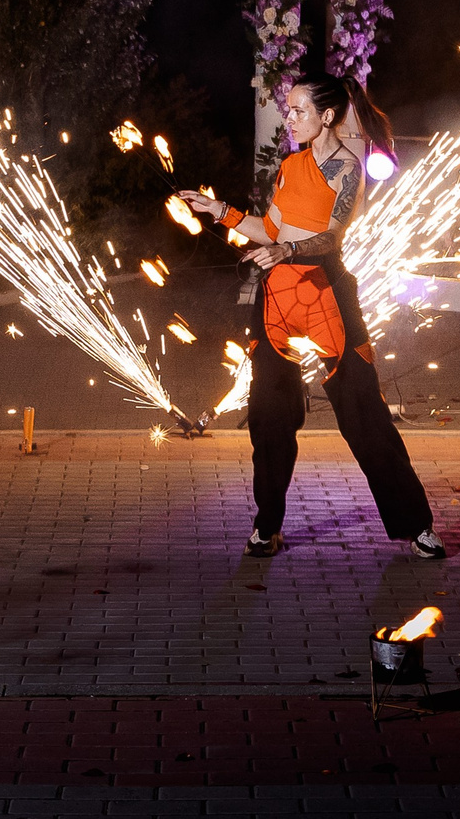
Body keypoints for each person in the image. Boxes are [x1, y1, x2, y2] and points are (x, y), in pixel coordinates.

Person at [180, 74, 442, 559]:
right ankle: (267, 526)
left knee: (362, 412)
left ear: (326, 117)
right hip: (277, 298)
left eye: (299, 110)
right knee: (269, 413)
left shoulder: (347, 168)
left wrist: (287, 249)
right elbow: (270, 229)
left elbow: (329, 239)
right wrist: (222, 211)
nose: (289, 118)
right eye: (288, 109)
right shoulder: (289, 166)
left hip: (326, 296)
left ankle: (416, 524)